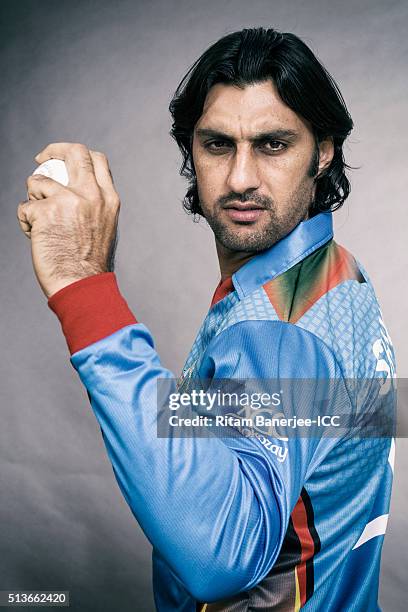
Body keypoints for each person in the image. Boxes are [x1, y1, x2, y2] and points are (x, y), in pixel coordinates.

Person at [17, 28, 396, 611]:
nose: (241, 178)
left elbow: (220, 556)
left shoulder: (277, 328)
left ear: (324, 150)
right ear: (190, 151)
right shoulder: (332, 274)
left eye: (272, 145)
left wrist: (84, 288)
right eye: (218, 145)